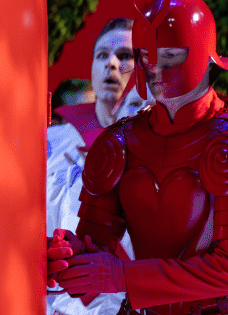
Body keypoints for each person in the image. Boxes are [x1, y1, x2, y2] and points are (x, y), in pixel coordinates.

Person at [47, 0, 228, 315]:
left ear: (203, 55)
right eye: (147, 56)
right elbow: (95, 245)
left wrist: (119, 275)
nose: (156, 68)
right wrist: (67, 257)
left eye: (171, 56)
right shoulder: (119, 142)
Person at [46, 18, 146, 315]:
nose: (111, 64)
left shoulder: (167, 148)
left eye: (125, 56)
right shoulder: (50, 144)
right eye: (102, 56)